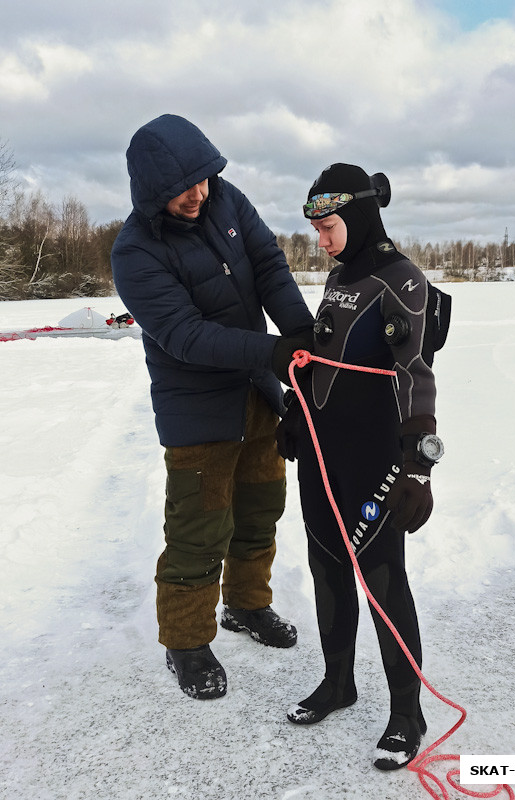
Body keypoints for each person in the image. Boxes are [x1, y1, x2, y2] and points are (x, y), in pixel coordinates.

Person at [111, 114, 314, 700]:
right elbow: (185, 336)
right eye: (183, 187)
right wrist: (276, 351)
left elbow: (271, 268)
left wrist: (303, 337)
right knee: (200, 526)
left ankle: (247, 606)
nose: (198, 193)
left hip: (255, 393)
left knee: (260, 507)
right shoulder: (135, 251)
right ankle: (186, 641)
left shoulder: (226, 199)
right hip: (197, 410)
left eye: (203, 178)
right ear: (151, 191)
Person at [277, 163, 450, 769]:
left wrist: (419, 467)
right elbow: (326, 358)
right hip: (325, 457)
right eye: (316, 228)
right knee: (326, 569)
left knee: (380, 581)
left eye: (328, 226)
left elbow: (415, 375)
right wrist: (297, 415)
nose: (319, 239)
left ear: (356, 217)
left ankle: (407, 712)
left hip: (375, 459)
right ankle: (338, 682)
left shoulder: (401, 279)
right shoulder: (342, 276)